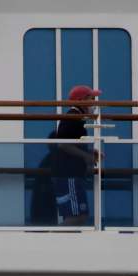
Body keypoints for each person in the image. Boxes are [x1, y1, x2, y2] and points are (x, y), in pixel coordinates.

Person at [48, 85, 101, 226]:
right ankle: (51, 242)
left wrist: (90, 154)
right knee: (77, 216)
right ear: (82, 100)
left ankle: (56, 243)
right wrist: (86, 156)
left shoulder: (77, 118)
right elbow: (63, 144)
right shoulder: (73, 117)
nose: (95, 103)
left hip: (70, 175)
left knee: (77, 216)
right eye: (92, 98)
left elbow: (70, 145)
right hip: (68, 176)